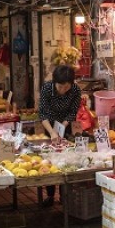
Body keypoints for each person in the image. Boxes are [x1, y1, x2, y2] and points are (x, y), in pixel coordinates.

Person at [38, 65, 81, 206]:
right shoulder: (47, 88)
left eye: (66, 87)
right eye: (60, 86)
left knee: (65, 159)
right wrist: (52, 132)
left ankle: (65, 196)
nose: (63, 90)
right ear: (54, 82)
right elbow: (42, 113)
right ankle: (50, 195)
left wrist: (63, 126)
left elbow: (73, 111)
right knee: (50, 159)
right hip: (49, 126)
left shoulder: (75, 90)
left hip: (65, 126)